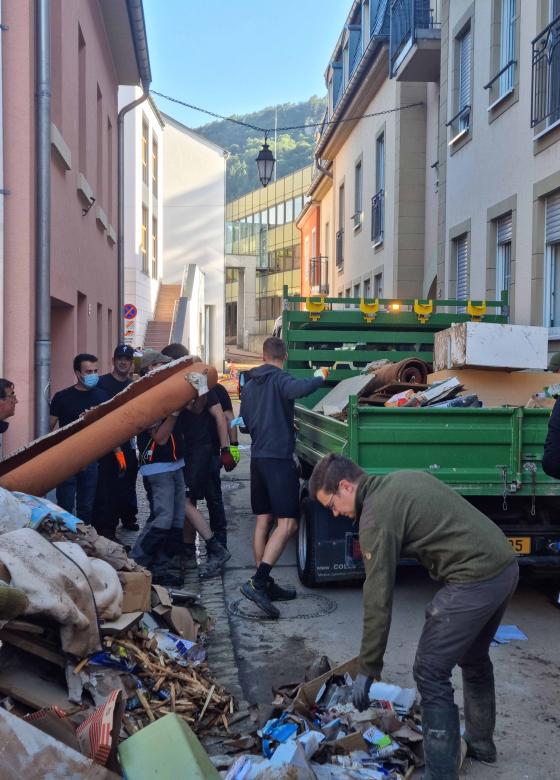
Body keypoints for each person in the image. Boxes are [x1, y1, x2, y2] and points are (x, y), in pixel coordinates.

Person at [309, 453, 519, 780]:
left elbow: (378, 595)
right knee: (474, 657)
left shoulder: (375, 516)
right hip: (504, 566)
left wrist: (368, 668)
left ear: (345, 486)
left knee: (430, 669)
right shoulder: (397, 481)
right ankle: (480, 742)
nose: (334, 513)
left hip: (475, 577)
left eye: (332, 504)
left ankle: (441, 773)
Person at [239, 336, 328, 619]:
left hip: (258, 459)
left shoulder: (250, 386)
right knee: (287, 524)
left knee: (263, 520)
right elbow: (299, 389)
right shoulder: (280, 379)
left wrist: (277, 424)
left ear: (263, 356)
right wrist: (320, 376)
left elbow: (246, 426)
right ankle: (259, 581)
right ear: (284, 356)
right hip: (278, 461)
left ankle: (264, 584)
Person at [131, 350, 230, 585]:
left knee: (175, 518)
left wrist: (200, 389)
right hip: (157, 465)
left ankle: (162, 568)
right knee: (164, 517)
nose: (166, 369)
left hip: (177, 462)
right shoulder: (147, 397)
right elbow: (161, 437)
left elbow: (196, 409)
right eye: (160, 365)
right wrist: (174, 411)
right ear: (149, 368)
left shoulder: (167, 392)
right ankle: (137, 563)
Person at [49, 354, 109, 522]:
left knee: (86, 506)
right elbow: (49, 427)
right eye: (88, 371)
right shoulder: (62, 397)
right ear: (77, 373)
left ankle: (84, 539)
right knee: (65, 505)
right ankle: (65, 541)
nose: (93, 375)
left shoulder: (103, 396)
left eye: (95, 371)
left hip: (91, 457)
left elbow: (107, 426)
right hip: (66, 459)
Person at [93, 344, 139, 538]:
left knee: (127, 481)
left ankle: (127, 516)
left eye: (127, 359)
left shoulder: (133, 387)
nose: (123, 362)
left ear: (131, 363)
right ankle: (106, 527)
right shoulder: (101, 383)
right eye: (119, 358)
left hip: (126, 444)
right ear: (113, 361)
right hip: (104, 446)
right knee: (106, 486)